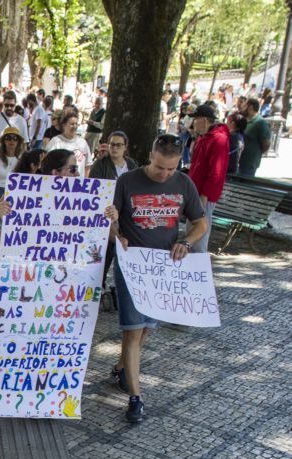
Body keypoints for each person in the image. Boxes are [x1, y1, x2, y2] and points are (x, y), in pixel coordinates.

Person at [107, 134, 207, 423]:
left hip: (163, 268)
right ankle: (135, 397)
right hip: (133, 265)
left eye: (171, 169)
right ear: (151, 155)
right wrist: (118, 233)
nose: (165, 174)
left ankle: (121, 369)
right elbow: (112, 221)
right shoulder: (127, 181)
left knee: (146, 329)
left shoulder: (184, 183)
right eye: (160, 167)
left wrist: (186, 242)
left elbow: (201, 223)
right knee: (133, 330)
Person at [187, 104, 230, 253]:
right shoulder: (204, 138)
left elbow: (216, 172)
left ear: (204, 120)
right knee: (190, 232)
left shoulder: (218, 139)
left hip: (203, 195)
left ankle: (199, 267)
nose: (194, 123)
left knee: (199, 235)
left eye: (196, 119)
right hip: (194, 191)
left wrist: (205, 195)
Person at [46, 111, 93, 176]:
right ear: (64, 125)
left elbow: (87, 166)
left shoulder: (83, 143)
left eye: (76, 124)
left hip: (78, 183)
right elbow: (48, 164)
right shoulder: (55, 142)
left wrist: (85, 181)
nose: (75, 126)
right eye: (72, 124)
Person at [0, 126, 24, 202]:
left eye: (15, 138)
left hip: (18, 192)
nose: (12, 141)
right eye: (8, 138)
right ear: (4, 141)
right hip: (0, 192)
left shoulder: (23, 158)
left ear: (18, 142)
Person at [237, 99, 271, 177]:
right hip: (238, 160)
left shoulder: (260, 123)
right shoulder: (244, 120)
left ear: (250, 107)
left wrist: (255, 153)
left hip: (249, 162)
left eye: (244, 105)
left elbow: (266, 143)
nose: (242, 107)